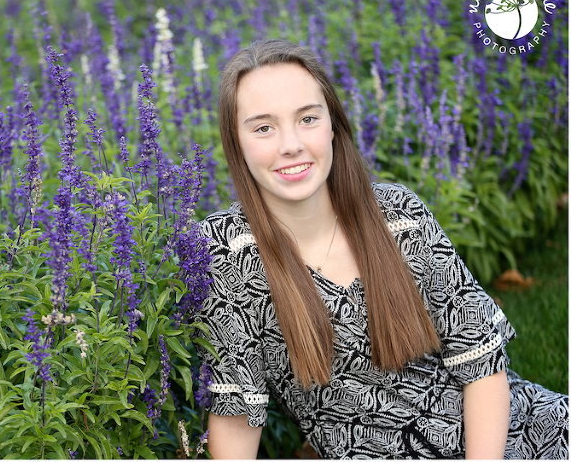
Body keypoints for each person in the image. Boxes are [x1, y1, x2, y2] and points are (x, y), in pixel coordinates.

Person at [194, 39, 569, 459]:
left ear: (332, 125)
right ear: (236, 142)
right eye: (263, 128)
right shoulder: (227, 253)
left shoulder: (398, 215)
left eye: (308, 118)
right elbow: (237, 414)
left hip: (509, 434)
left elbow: (481, 363)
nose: (291, 144)